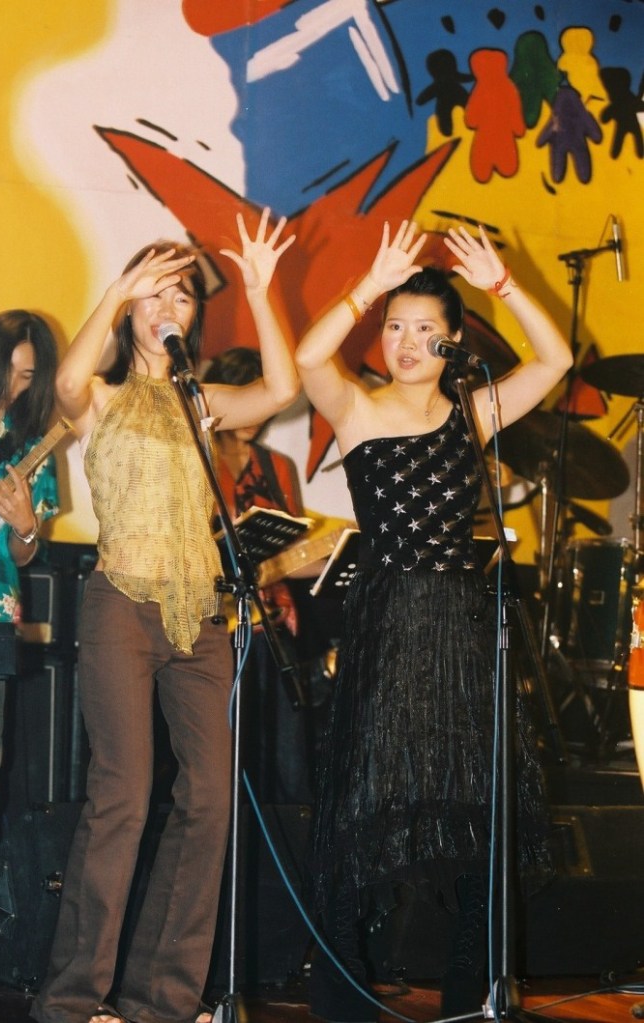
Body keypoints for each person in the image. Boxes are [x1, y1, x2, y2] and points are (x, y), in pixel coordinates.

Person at [294, 220, 573, 1020]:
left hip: (461, 626)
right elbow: (310, 359)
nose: (406, 343)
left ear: (452, 343)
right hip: (388, 623)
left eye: (424, 330)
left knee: (479, 810)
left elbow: (554, 360)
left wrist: (506, 287)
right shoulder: (357, 406)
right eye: (394, 326)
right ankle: (343, 988)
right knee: (363, 805)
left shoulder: (472, 413)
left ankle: (470, 992)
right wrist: (367, 286)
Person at [31, 207, 298, 1023]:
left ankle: (162, 999)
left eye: (181, 295)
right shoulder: (103, 395)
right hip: (121, 599)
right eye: (153, 293)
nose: (167, 306)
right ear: (129, 307)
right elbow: (66, 385)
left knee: (211, 797)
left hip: (200, 614)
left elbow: (281, 389)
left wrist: (262, 288)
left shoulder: (201, 400)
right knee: (124, 794)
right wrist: (118, 289)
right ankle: (71, 1000)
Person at [202, 346, 316, 805]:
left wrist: (340, 553)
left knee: (288, 755)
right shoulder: (197, 455)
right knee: (218, 754)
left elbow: (292, 553)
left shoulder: (278, 466)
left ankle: (290, 837)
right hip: (210, 623)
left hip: (269, 623)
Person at [0, 310, 59, 871]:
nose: (12, 386)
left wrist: (26, 526)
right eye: (6, 370)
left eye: (26, 376)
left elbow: (24, 552)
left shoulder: (33, 446)